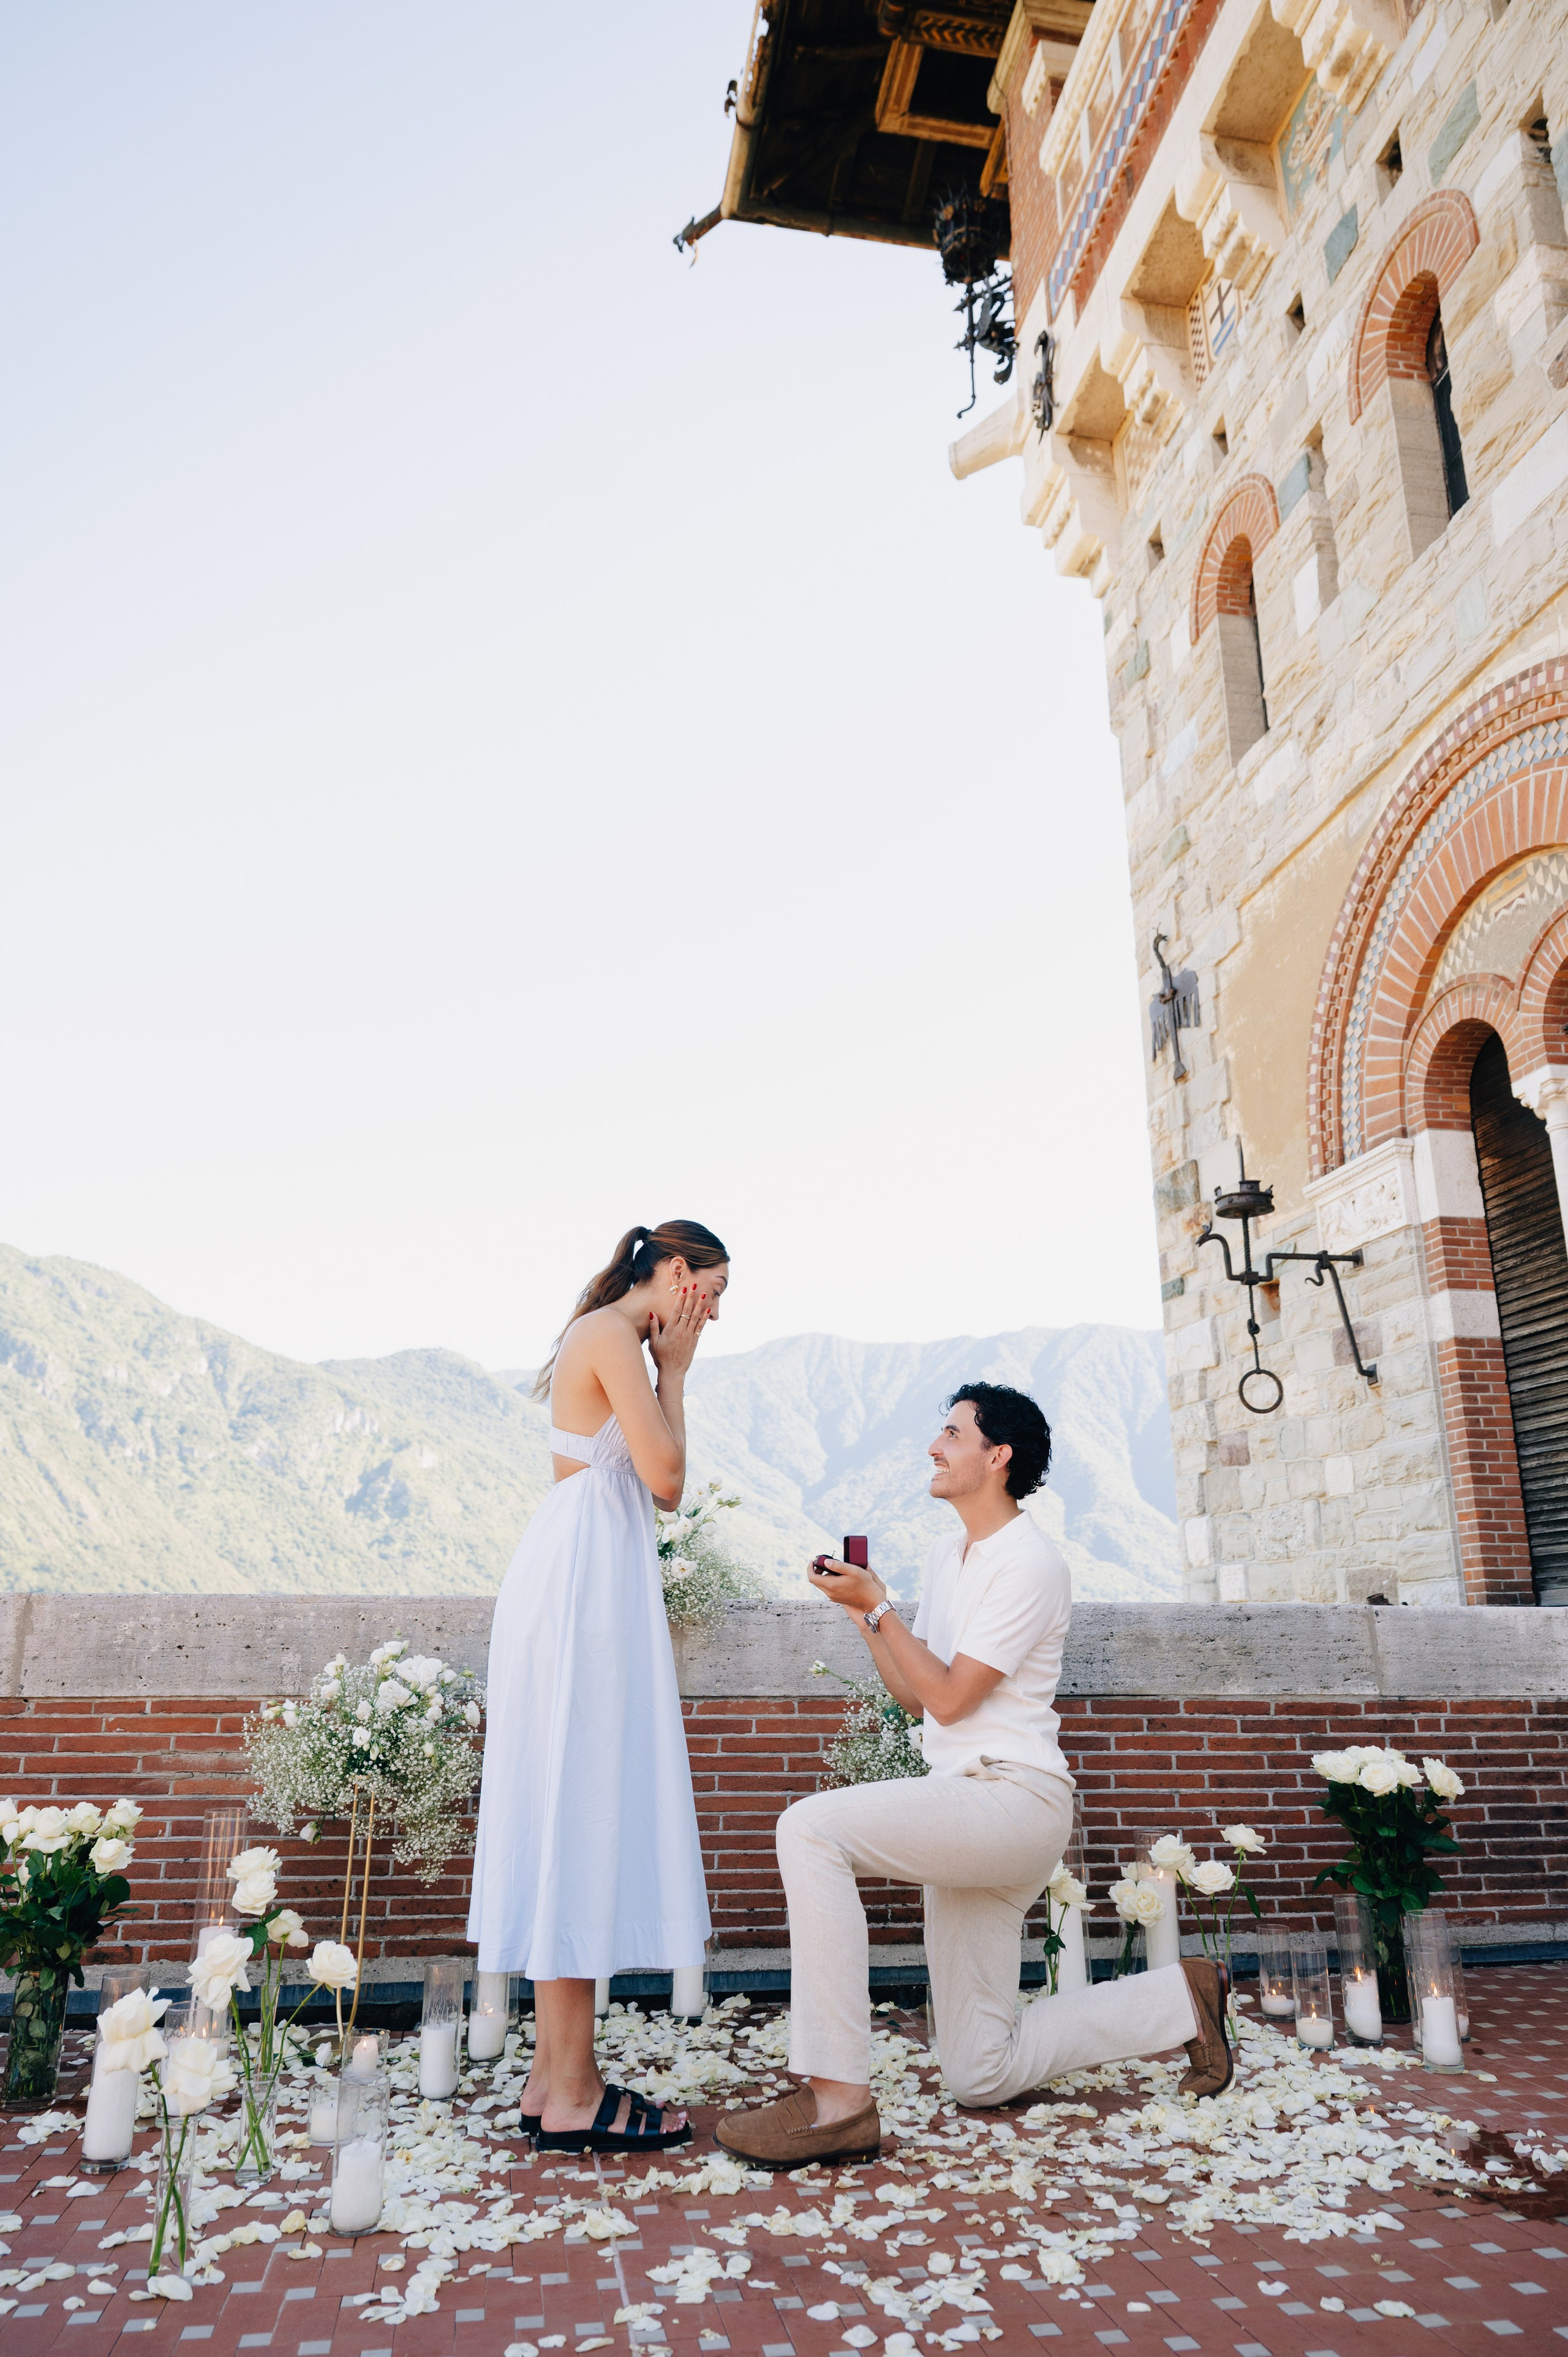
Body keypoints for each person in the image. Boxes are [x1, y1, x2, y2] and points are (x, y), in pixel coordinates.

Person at [717, 1381, 1231, 2168]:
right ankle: (1179, 1997)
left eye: (953, 1433)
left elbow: (955, 1698)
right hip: (964, 1807)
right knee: (980, 2072)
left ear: (998, 1457)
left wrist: (883, 1607)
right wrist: (864, 1613)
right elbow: (917, 1695)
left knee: (808, 1827)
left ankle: (836, 2098)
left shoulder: (1031, 1563)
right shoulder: (947, 1554)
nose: (934, 1445)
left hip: (1013, 1802)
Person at [467, 1218, 729, 2155]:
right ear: (674, 1270)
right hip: (582, 1586)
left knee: (571, 1814)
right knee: (574, 1814)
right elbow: (667, 1479)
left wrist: (671, 1370)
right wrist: (677, 1373)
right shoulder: (614, 1336)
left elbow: (655, 1486)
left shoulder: (609, 1336)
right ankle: (574, 2091)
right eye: (709, 1293)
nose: (710, 1314)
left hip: (589, 1572)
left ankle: (553, 2081)